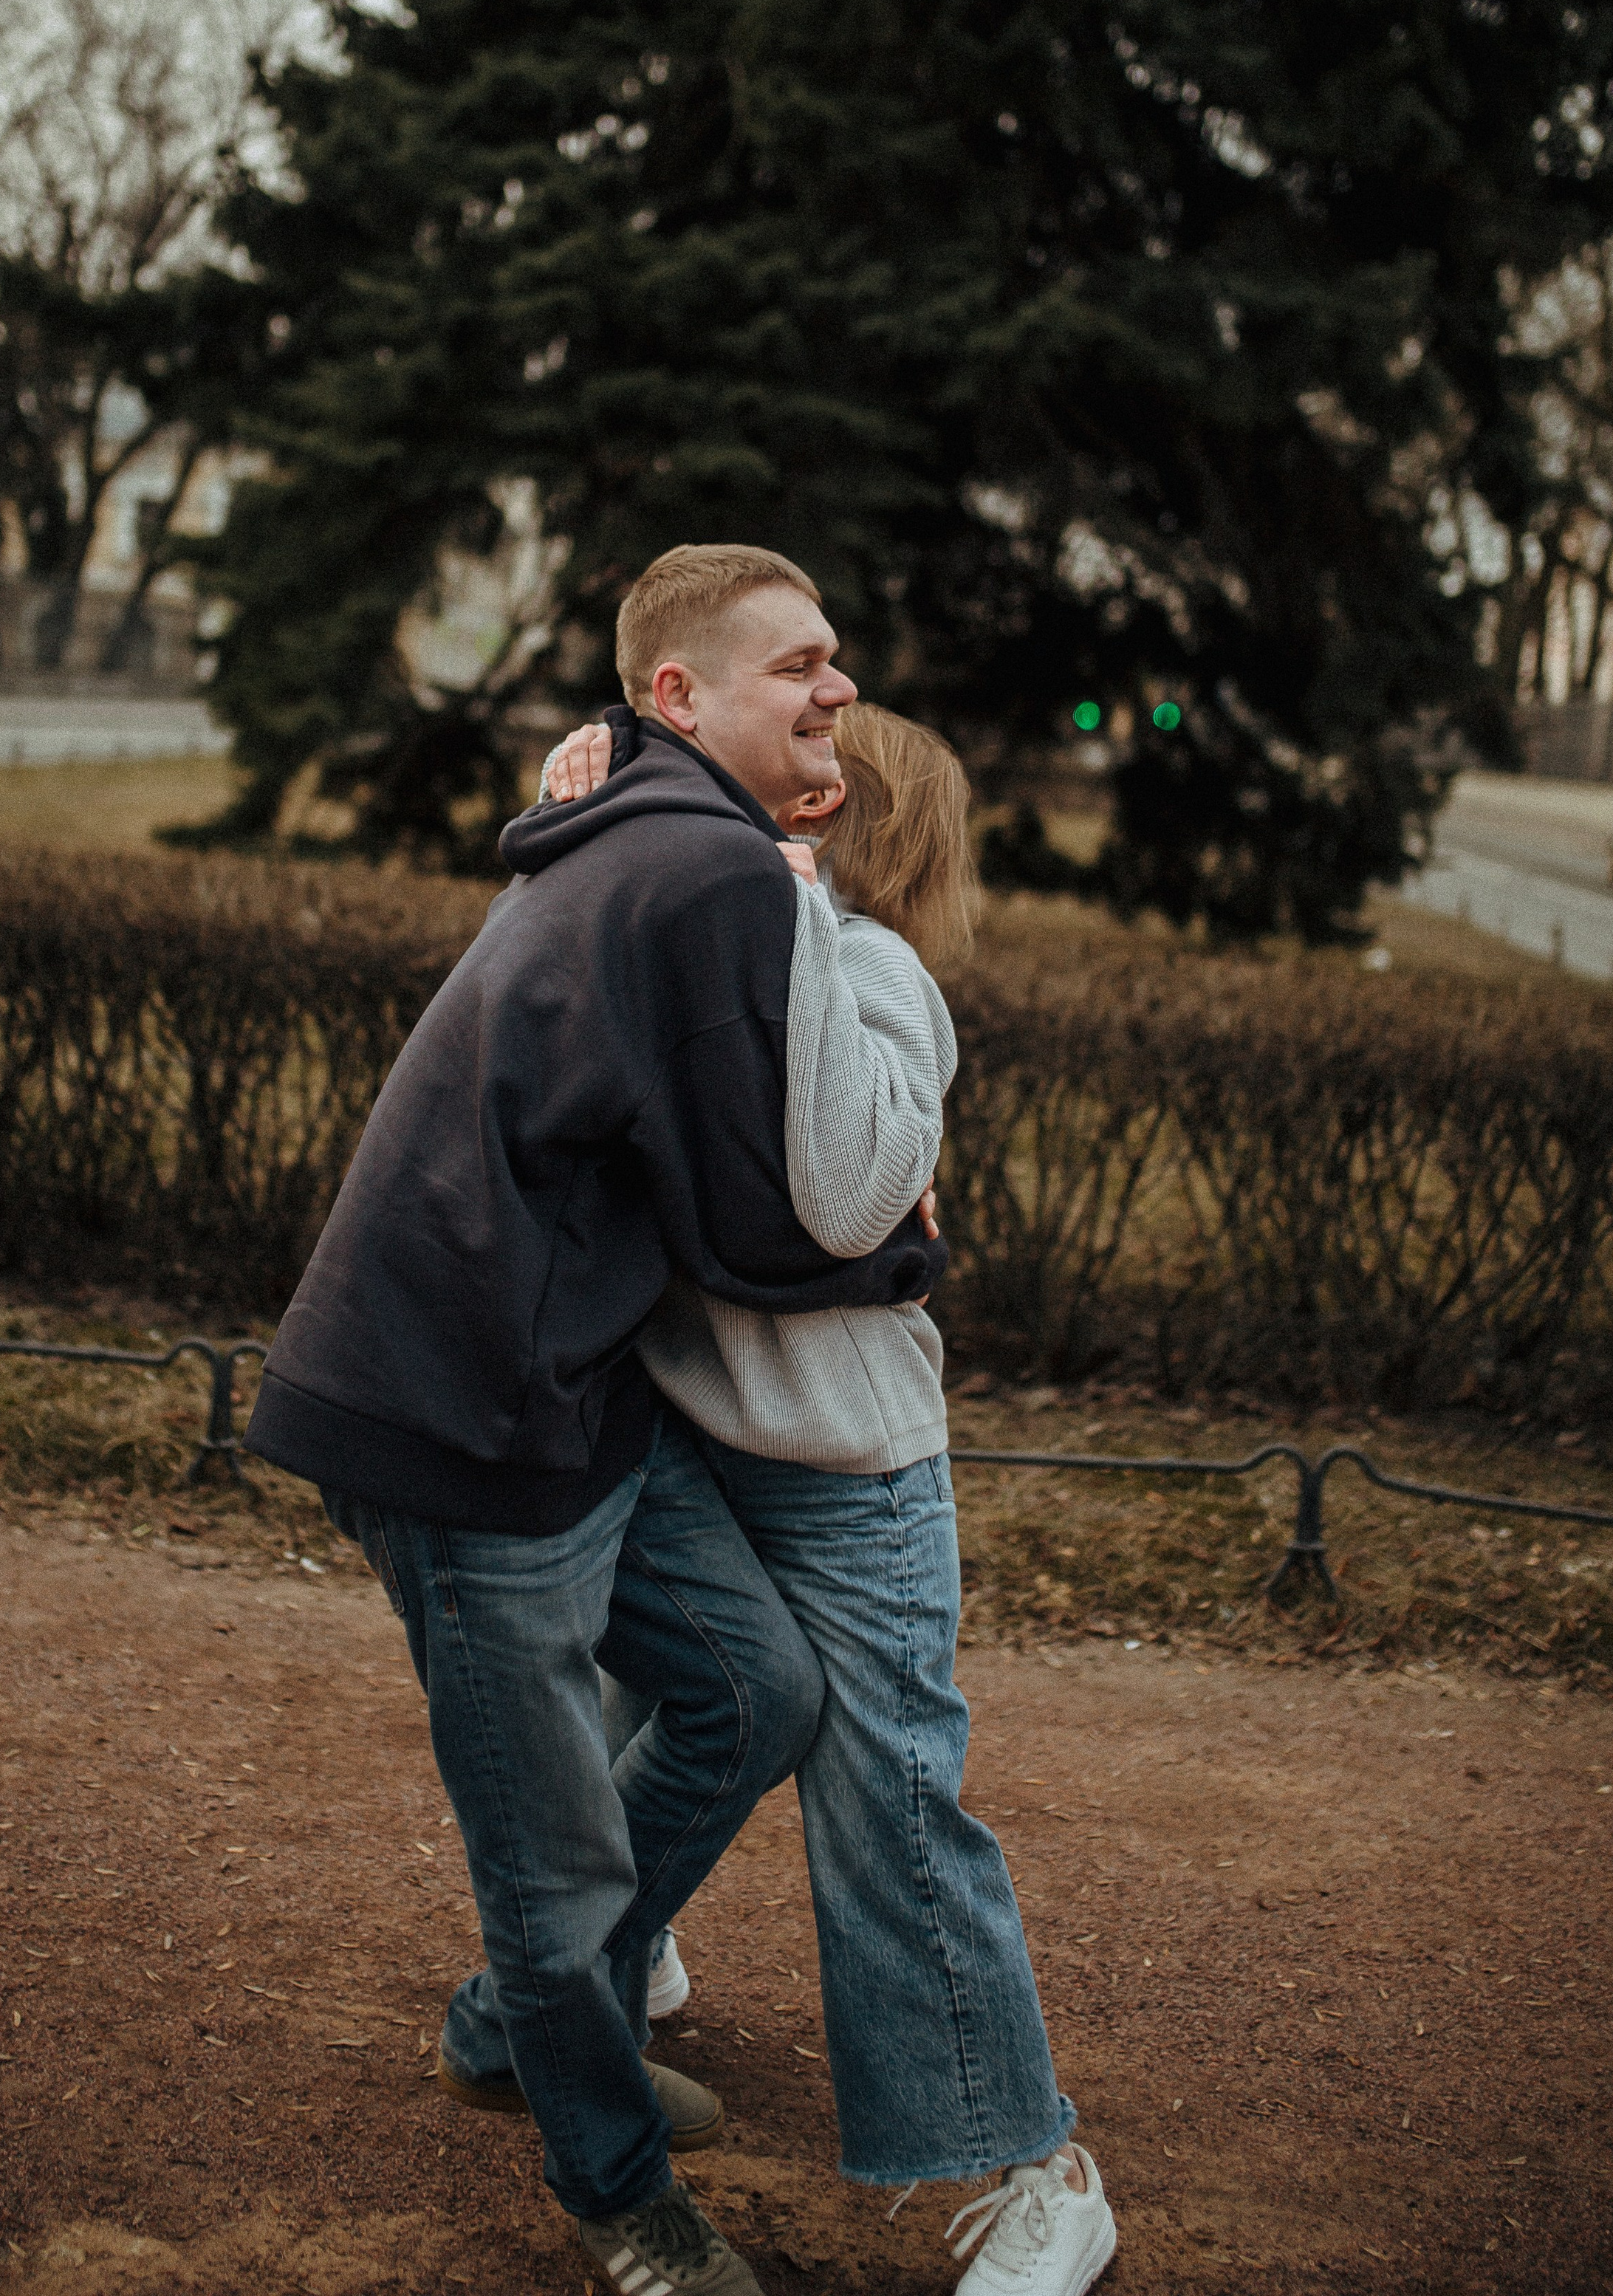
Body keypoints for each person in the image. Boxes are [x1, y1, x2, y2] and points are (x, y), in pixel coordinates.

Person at [242, 544, 945, 2296]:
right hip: (462, 1424)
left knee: (754, 1686)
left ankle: (508, 2027)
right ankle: (617, 2192)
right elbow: (765, 1213)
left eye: (834, 659)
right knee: (552, 1868)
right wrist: (906, 1254)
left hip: (571, 1393)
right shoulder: (704, 871)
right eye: (797, 664)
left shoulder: (659, 834)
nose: (835, 688)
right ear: (679, 701)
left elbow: (703, 1186)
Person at [534, 698, 1117, 2296]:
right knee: (643, 1715)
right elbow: (573, 951)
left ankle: (1031, 2168)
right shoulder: (722, 943)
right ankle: (615, 1964)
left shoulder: (869, 972)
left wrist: (780, 894)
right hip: (687, 1436)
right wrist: (575, 778)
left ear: (834, 827)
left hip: (850, 1475)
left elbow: (838, 1190)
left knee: (890, 1810)